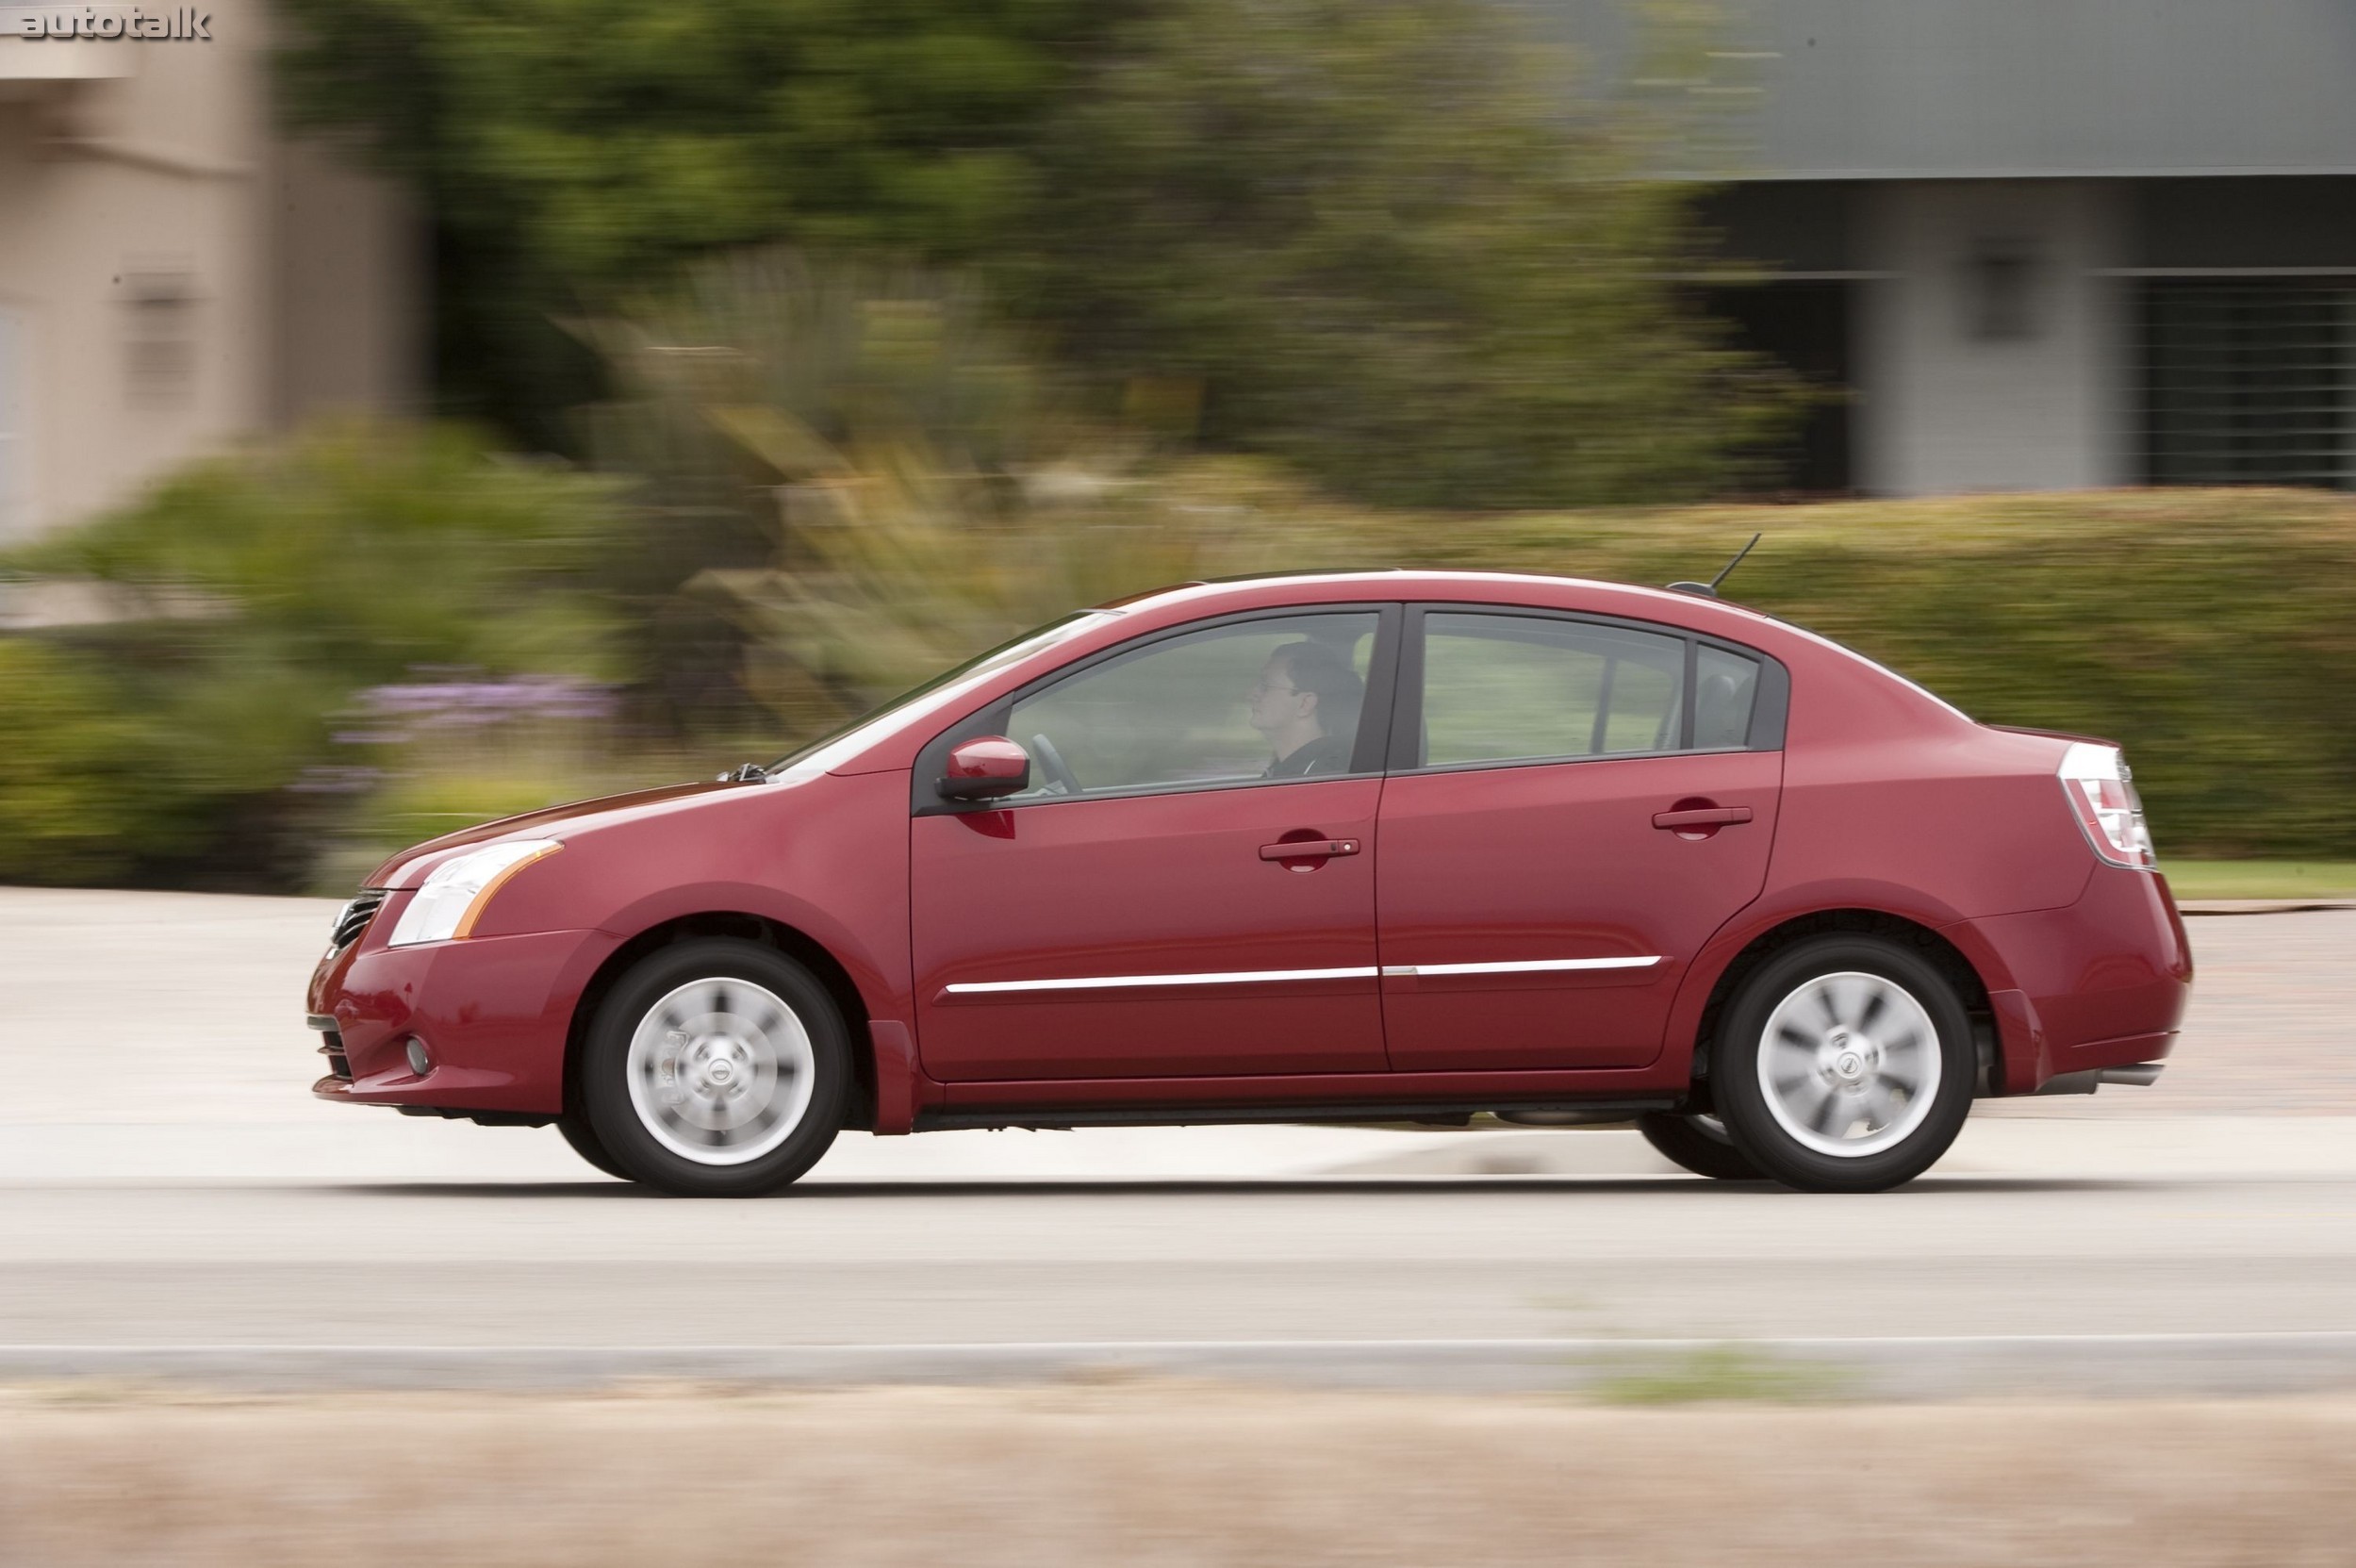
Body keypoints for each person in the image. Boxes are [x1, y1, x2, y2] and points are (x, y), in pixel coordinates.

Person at [1247, 641, 1363, 778]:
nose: (1253, 693)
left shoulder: (1319, 777)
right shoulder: (1286, 769)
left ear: (1305, 704)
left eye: (1266, 685)